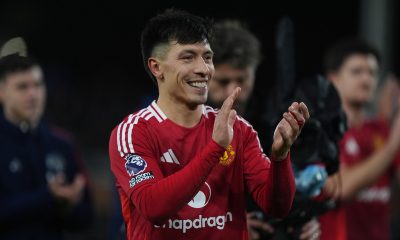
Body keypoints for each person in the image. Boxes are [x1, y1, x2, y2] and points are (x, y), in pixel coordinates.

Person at [108, 9, 310, 240]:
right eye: (188, 57)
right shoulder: (134, 132)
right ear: (156, 67)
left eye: (207, 57)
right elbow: (154, 207)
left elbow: (278, 207)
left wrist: (281, 157)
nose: (204, 69)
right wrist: (215, 149)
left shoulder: (238, 128)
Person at [208, 20, 321, 240]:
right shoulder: (180, 123)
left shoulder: (270, 122)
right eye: (223, 81)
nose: (234, 91)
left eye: (242, 79)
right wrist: (227, 224)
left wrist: (305, 221)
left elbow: (290, 190)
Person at [0, 45, 93, 239]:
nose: (33, 94)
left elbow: (85, 219)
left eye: (38, 84)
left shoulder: (62, 144)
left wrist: (70, 205)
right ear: (2, 92)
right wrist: (48, 197)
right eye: (22, 87)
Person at [318, 38, 400, 240]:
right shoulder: (320, 130)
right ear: (332, 79)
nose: (366, 80)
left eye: (372, 73)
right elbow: (340, 189)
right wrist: (391, 147)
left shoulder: (382, 130)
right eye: (356, 72)